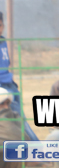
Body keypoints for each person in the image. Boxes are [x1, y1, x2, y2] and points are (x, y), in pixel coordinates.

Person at [0, 11, 37, 141]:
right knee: (16, 123)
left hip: (7, 87)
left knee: (20, 122)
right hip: (6, 86)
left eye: (0, 25)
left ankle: (36, 149)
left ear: (3, 26)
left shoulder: (3, 41)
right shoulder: (3, 41)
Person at [0, 87, 25, 168]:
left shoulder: (14, 117)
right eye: (2, 104)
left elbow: (23, 139)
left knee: (18, 149)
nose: (6, 107)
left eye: (8, 104)